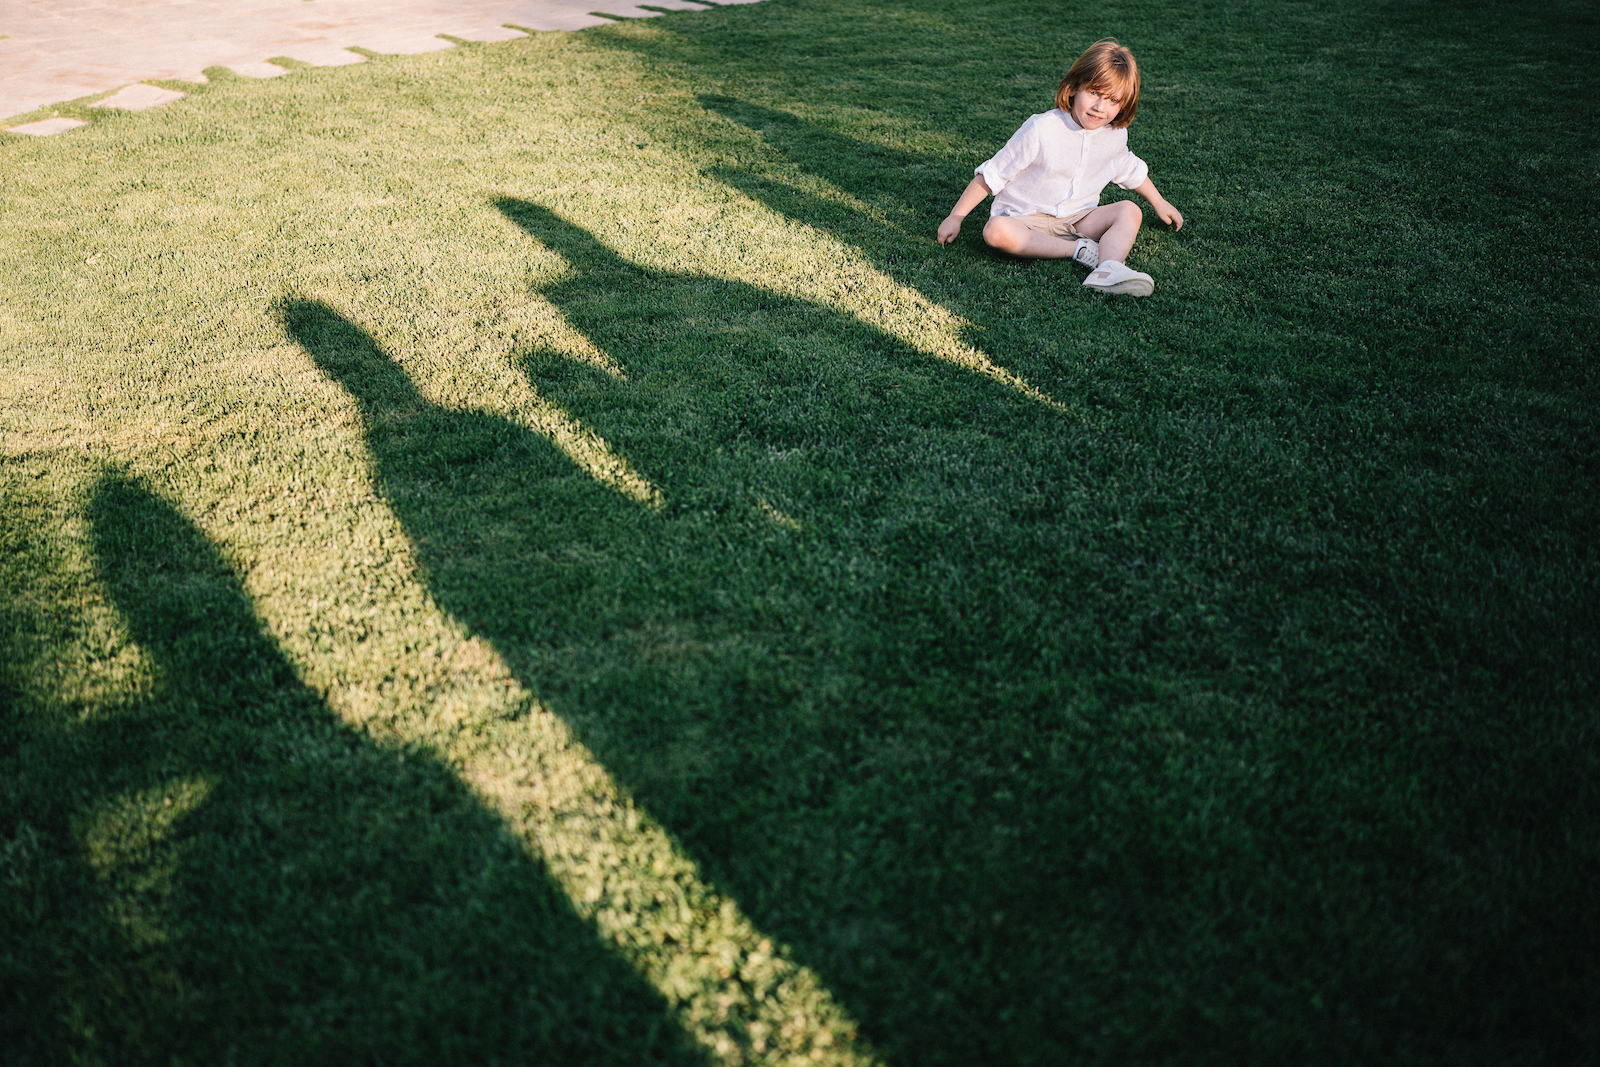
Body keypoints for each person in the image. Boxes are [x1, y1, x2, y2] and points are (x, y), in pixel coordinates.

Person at [936, 39, 1183, 297]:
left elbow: (1131, 170)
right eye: (1094, 93)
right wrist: (956, 216)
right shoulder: (1042, 128)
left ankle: (1109, 268)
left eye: (1113, 100)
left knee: (1129, 210)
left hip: (1078, 219)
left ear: (1124, 104)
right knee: (995, 231)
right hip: (1025, 221)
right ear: (1075, 86)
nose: (1100, 107)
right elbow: (992, 175)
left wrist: (1159, 202)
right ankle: (1079, 251)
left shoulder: (1115, 135)